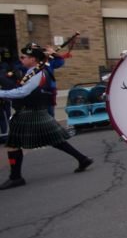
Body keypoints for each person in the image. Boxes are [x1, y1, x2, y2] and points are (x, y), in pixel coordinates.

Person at [0, 44, 93, 190]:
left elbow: (23, 92)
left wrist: (1, 93)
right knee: (55, 139)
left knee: (13, 144)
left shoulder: (37, 73)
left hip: (29, 112)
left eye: (24, 57)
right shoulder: (33, 71)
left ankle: (15, 177)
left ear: (33, 59)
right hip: (34, 111)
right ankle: (82, 159)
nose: (21, 59)